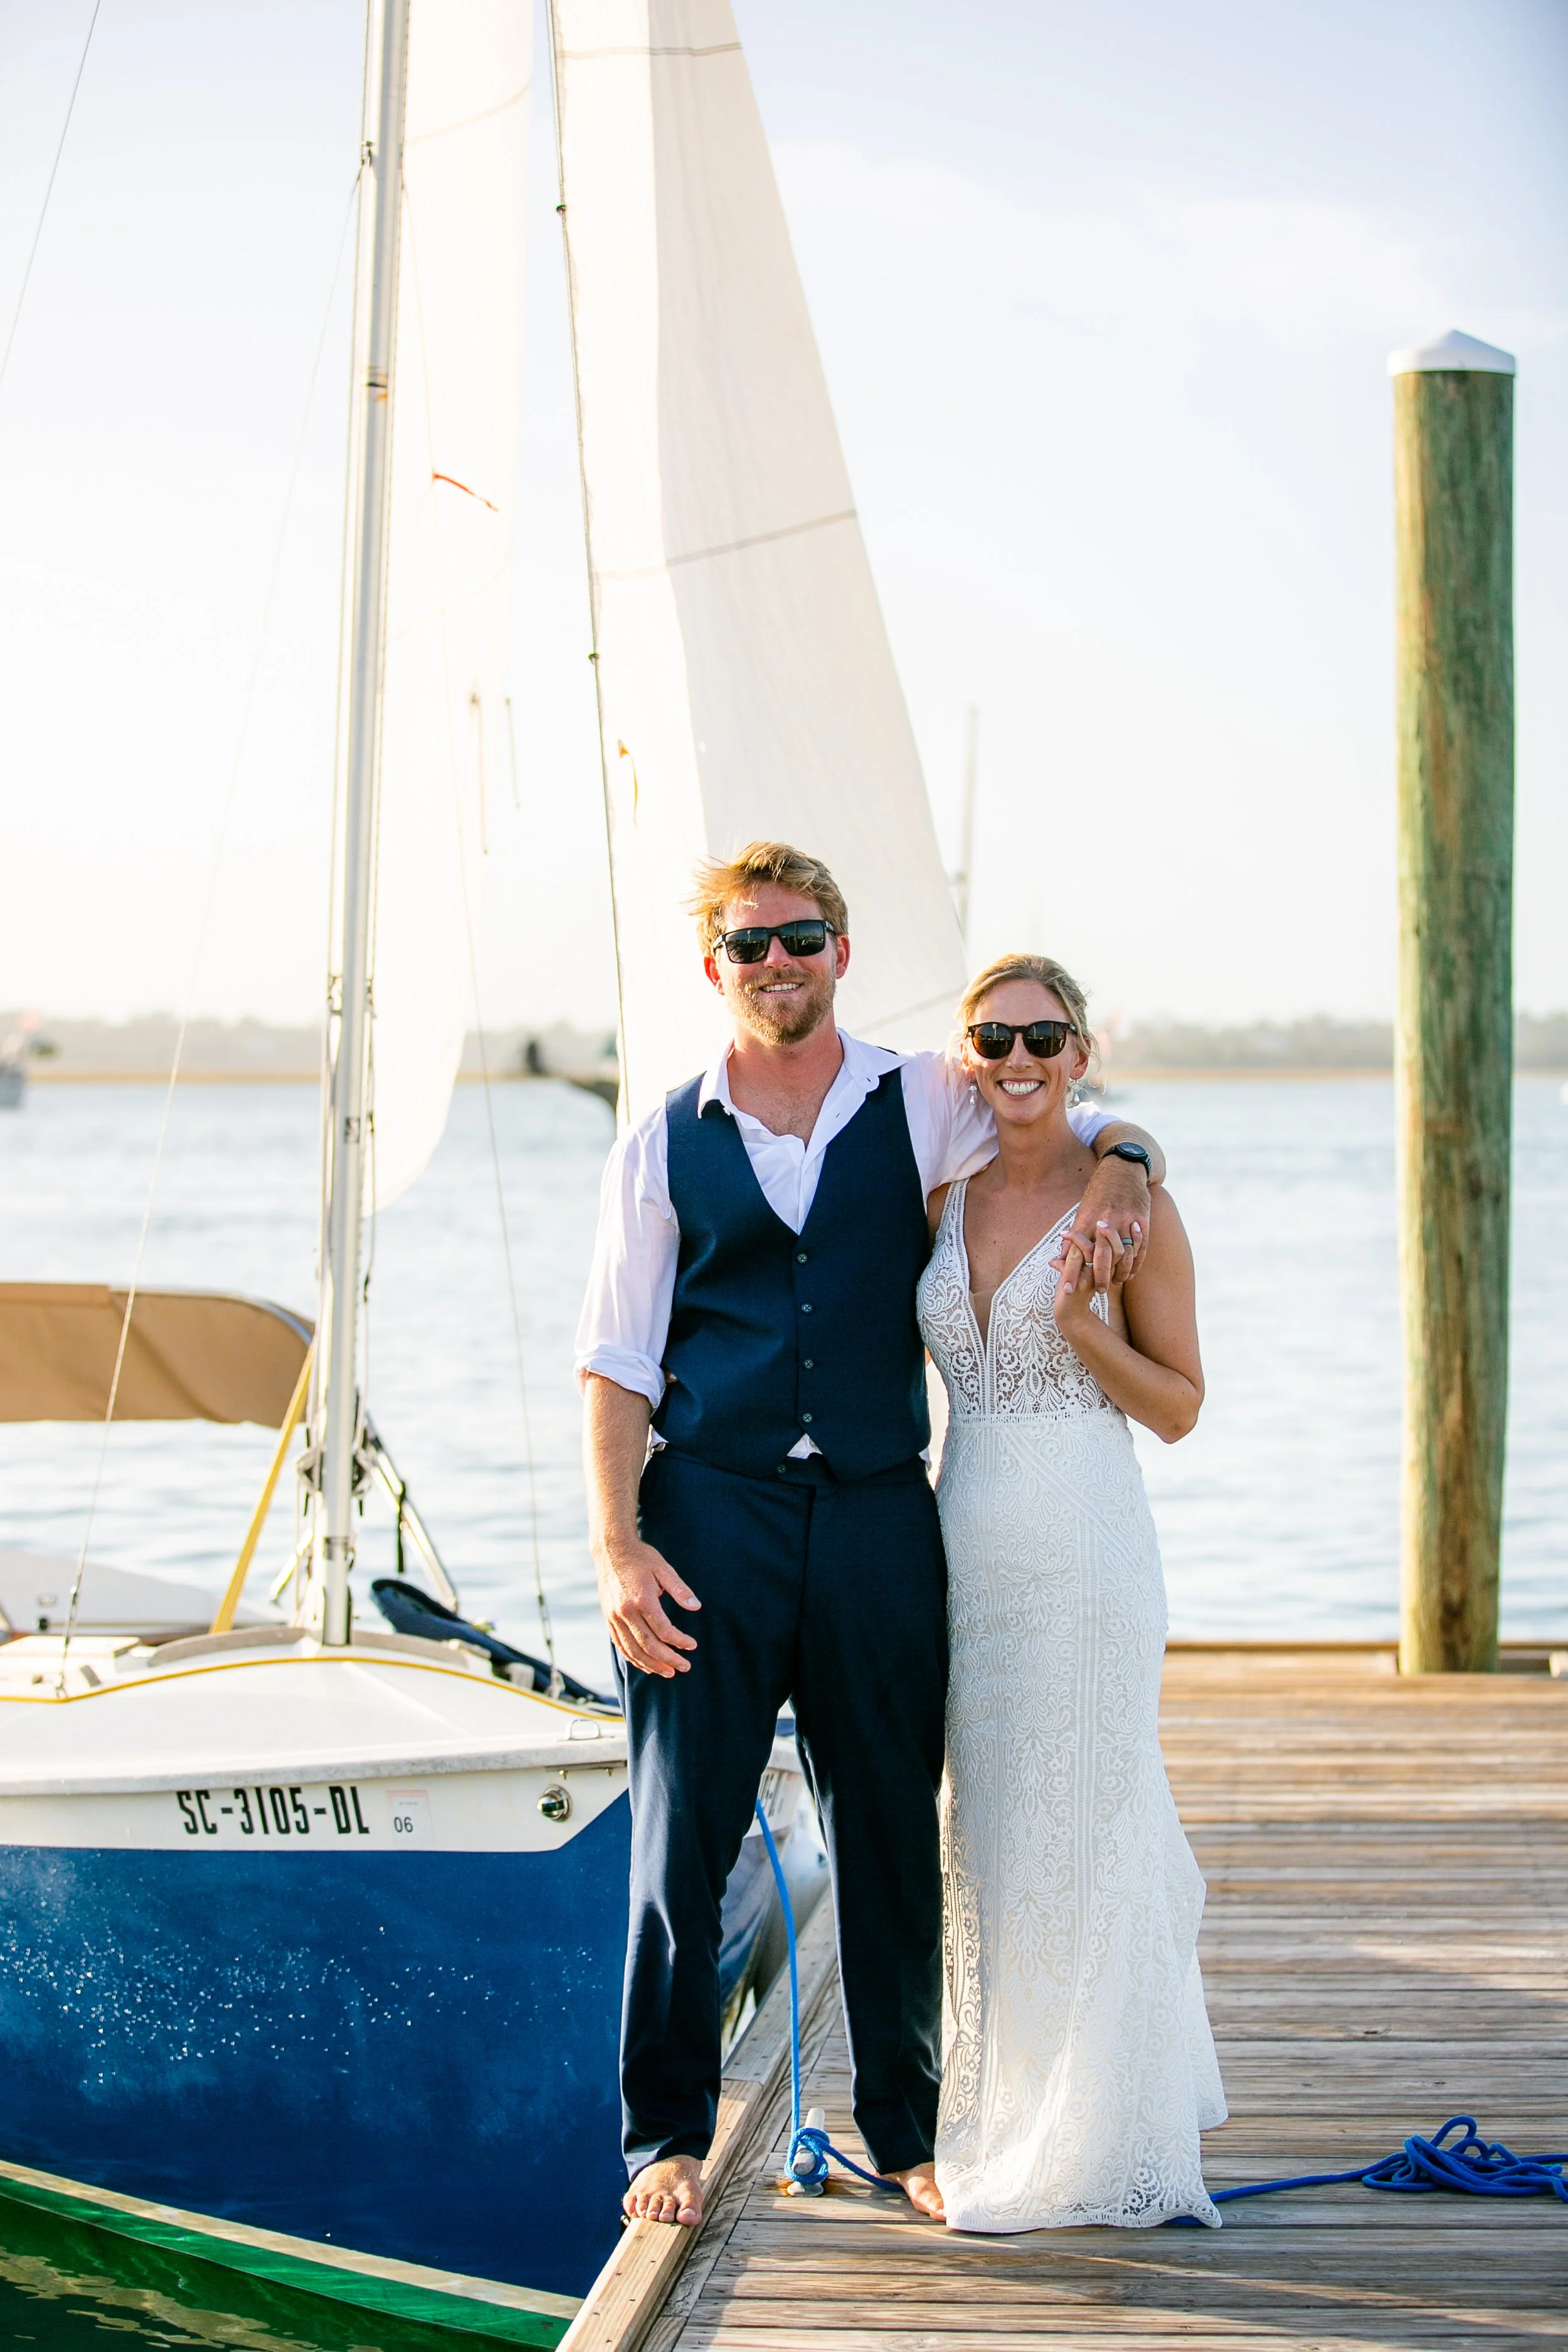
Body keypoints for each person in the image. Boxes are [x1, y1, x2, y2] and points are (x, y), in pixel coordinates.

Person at [575, 843, 1168, 2230]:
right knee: (679, 1836)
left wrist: (1128, 1166)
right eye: (751, 944)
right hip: (706, 1516)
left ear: (842, 951)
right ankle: (663, 2136)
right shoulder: (658, 1142)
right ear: (715, 967)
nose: (777, 962)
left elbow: (1065, 1113)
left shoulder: (925, 1098)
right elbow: (614, 1361)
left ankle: (908, 2133)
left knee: (894, 1830)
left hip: (879, 1514)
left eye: (802, 938)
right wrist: (616, 1549)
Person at [918, 952, 1226, 2233]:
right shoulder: (940, 1198)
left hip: (1089, 1553)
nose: (1018, 1059)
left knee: (1092, 1825)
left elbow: (1180, 1407)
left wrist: (1087, 1328)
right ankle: (1007, 2112)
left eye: (1043, 1037)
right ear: (967, 1058)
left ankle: (1111, 2132)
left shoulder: (1133, 1215)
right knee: (991, 1838)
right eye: (994, 1039)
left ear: (1080, 1054)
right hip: (963, 1552)